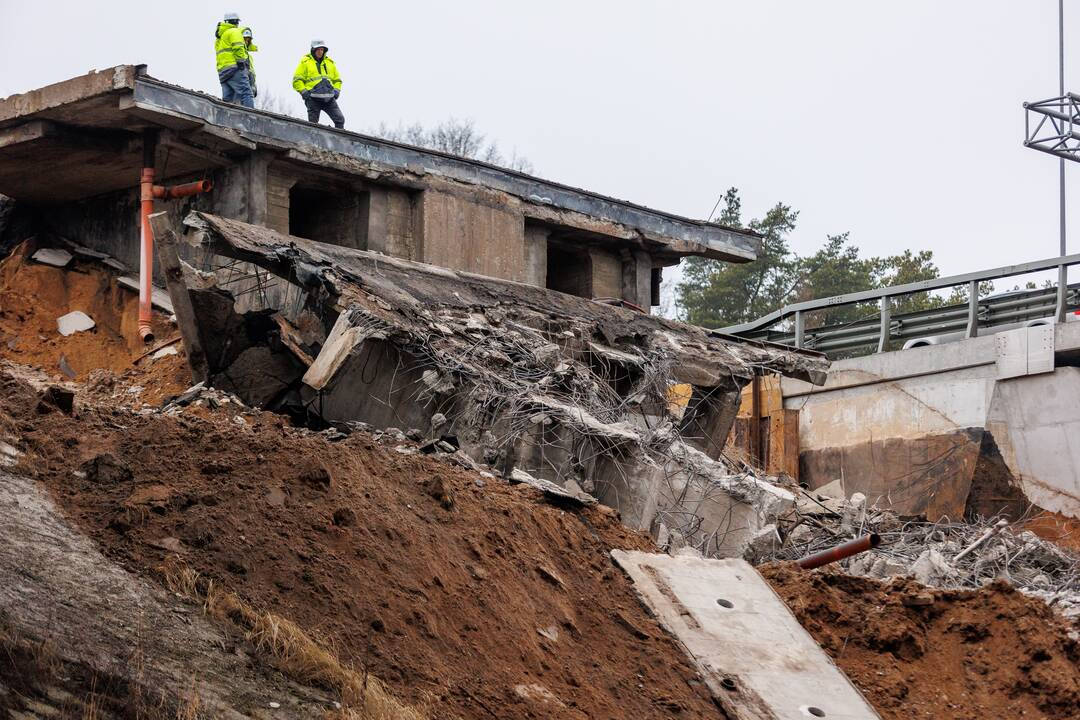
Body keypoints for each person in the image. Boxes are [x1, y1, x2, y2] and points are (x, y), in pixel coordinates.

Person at [292, 40, 344, 128]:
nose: (320, 52)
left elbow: (337, 80)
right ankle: (311, 142)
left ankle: (339, 140)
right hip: (313, 99)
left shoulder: (330, 63)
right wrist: (304, 93)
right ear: (313, 50)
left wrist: (336, 91)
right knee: (313, 125)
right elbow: (297, 80)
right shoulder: (305, 63)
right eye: (318, 49)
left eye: (322, 50)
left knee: (340, 119)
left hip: (329, 98)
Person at [214, 12, 253, 108]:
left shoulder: (220, 37)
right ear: (236, 22)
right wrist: (241, 62)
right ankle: (252, 118)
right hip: (234, 69)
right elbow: (238, 47)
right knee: (246, 93)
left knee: (228, 99)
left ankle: (226, 119)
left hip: (223, 72)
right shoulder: (234, 32)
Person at [241, 27, 258, 99]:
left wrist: (254, 85)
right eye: (245, 39)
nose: (246, 42)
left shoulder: (248, 55)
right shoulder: (240, 53)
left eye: (248, 40)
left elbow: (251, 72)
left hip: (250, 81)